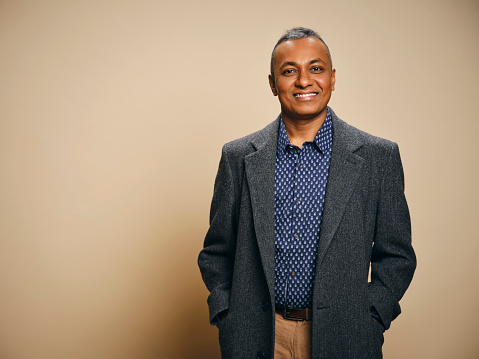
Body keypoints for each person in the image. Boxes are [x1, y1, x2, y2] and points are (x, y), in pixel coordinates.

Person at [198, 27, 416, 359]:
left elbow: (397, 255)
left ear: (332, 77)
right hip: (258, 336)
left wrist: (372, 315)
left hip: (345, 336)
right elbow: (216, 252)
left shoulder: (377, 157)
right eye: (289, 71)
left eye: (316, 68)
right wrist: (227, 313)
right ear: (273, 83)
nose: (304, 81)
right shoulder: (238, 157)